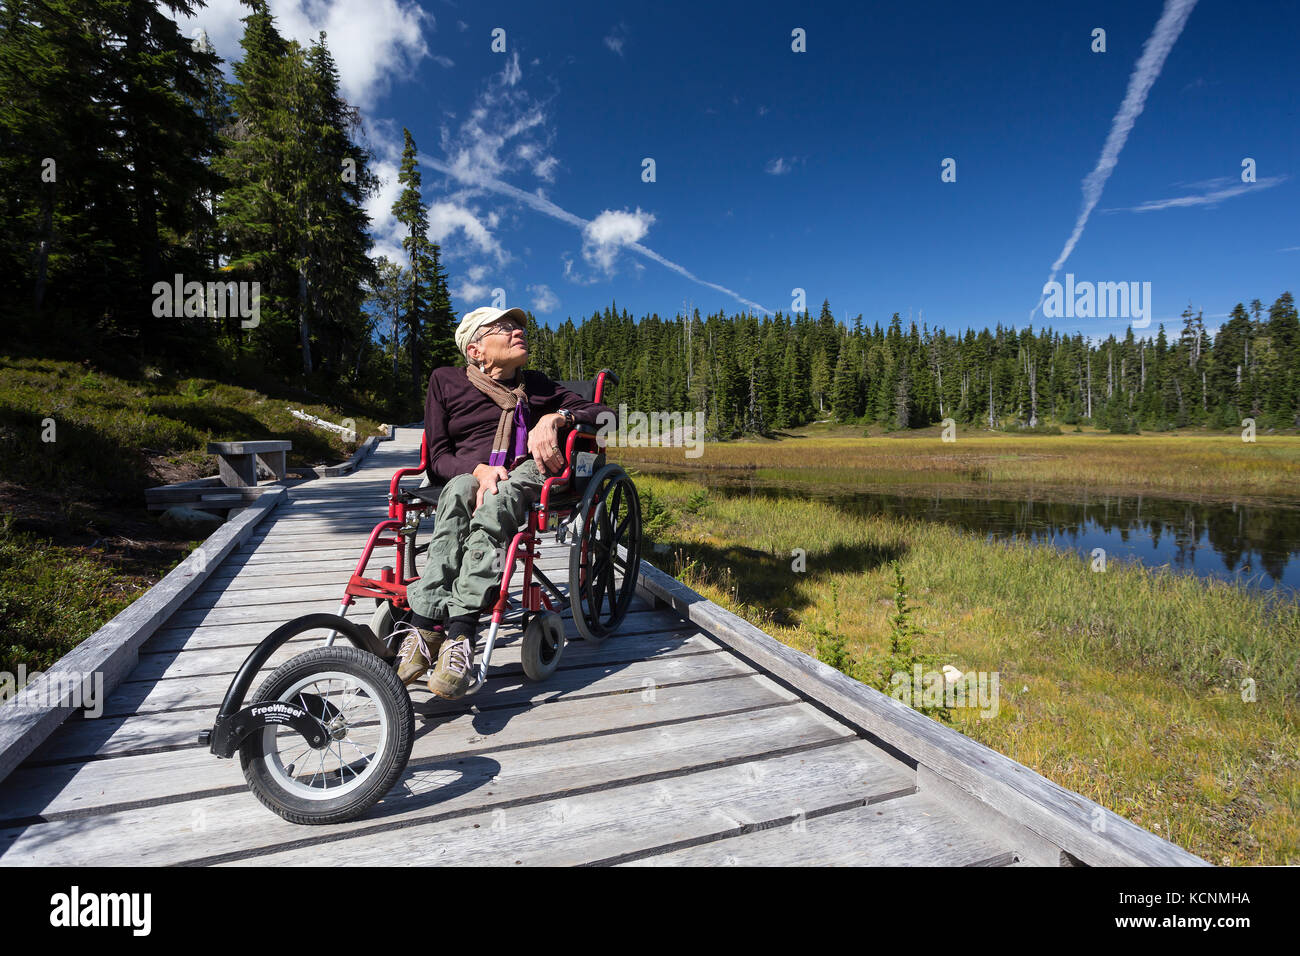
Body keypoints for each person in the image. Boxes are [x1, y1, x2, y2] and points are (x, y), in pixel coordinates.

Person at [394, 305, 612, 699]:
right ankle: (424, 627)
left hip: (526, 471)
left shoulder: (539, 386)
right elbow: (438, 456)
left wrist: (557, 417)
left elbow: (605, 414)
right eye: (505, 327)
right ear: (475, 350)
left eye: (519, 327)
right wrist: (477, 471)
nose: (518, 332)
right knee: (459, 491)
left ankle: (460, 635)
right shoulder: (445, 381)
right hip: (466, 471)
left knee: (498, 498)